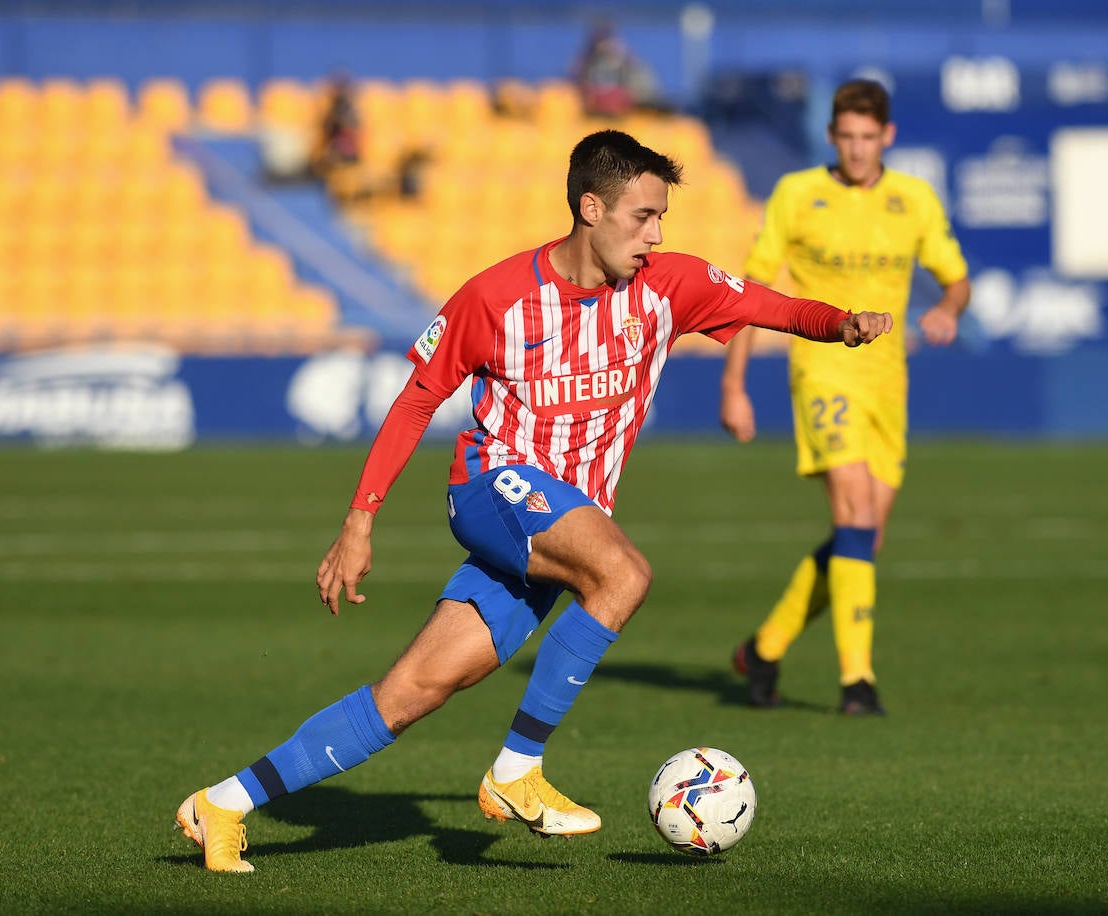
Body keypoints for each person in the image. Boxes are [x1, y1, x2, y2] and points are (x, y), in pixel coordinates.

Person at [175, 128, 893, 873]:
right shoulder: (497, 297)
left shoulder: (668, 286)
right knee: (624, 575)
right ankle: (517, 769)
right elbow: (418, 399)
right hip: (493, 486)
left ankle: (223, 803)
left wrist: (840, 324)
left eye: (662, 219)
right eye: (642, 216)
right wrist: (360, 521)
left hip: (561, 524)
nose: (655, 235)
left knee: (409, 694)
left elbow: (768, 305)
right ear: (590, 207)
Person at [719, 79, 970, 716]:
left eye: (868, 138)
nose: (857, 150)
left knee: (864, 538)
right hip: (823, 371)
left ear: (887, 136)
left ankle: (765, 649)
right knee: (854, 512)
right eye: (846, 137)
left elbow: (956, 277)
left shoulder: (912, 199)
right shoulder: (797, 195)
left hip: (889, 381)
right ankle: (858, 682)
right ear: (831, 136)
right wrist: (734, 384)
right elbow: (751, 292)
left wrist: (945, 307)